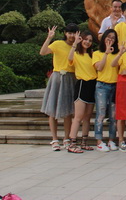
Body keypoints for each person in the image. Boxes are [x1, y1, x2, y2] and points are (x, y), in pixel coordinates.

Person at [39, 23, 78, 151]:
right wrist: (49, 37)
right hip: (57, 77)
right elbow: (43, 52)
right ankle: (54, 139)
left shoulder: (78, 47)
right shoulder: (57, 44)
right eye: (69, 33)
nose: (72, 36)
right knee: (52, 109)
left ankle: (66, 138)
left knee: (68, 111)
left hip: (71, 78)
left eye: (74, 33)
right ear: (65, 33)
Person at [66, 31, 97, 153]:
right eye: (85, 39)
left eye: (90, 40)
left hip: (92, 85)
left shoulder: (92, 55)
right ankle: (72, 143)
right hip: (82, 84)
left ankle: (84, 142)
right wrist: (75, 44)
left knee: (88, 116)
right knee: (78, 116)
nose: (87, 42)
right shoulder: (76, 54)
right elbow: (69, 58)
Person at [93, 29, 119, 152]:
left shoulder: (118, 54)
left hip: (115, 86)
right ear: (103, 38)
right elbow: (99, 67)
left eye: (113, 38)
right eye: (108, 37)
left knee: (113, 116)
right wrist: (106, 53)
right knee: (101, 114)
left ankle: (111, 140)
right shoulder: (97, 53)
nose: (110, 40)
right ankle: (99, 141)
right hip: (102, 86)